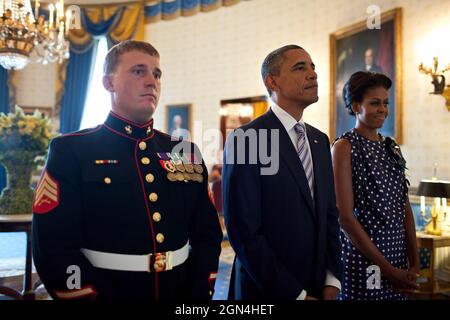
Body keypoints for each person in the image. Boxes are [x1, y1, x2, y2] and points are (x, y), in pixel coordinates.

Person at [32, 40, 222, 300]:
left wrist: (199, 291)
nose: (151, 81)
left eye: (157, 74)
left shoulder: (185, 152)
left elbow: (207, 235)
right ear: (108, 83)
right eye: (138, 71)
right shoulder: (72, 150)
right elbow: (54, 245)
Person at [222, 45, 342, 300]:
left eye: (313, 67)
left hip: (320, 286)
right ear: (272, 81)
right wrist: (296, 295)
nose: (312, 74)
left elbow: (330, 216)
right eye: (300, 68)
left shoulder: (320, 140)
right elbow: (244, 231)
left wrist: (333, 280)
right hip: (266, 290)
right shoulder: (247, 139)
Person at [331, 71, 419, 300]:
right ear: (356, 105)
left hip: (398, 256)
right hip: (364, 260)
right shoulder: (344, 147)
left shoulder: (393, 148)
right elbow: (345, 218)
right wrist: (388, 271)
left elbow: (405, 207)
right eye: (374, 103)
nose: (383, 109)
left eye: (386, 103)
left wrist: (414, 261)